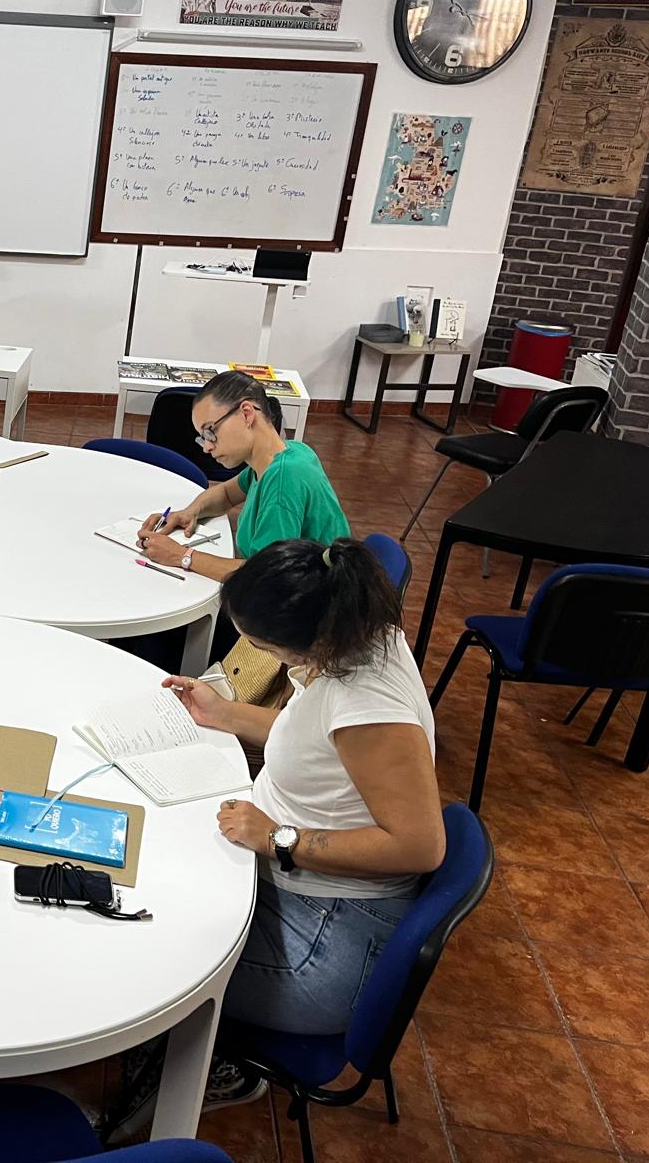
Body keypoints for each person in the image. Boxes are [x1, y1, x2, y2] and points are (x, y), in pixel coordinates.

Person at [107, 538, 445, 1137]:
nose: (258, 657)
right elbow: (311, 737)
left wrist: (278, 838)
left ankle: (212, 1068)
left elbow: (420, 846)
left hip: (326, 937)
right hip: (300, 886)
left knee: (148, 956)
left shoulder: (368, 706)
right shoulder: (358, 629)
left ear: (311, 641)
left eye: (263, 646)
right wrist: (223, 713)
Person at [135, 371, 349, 581]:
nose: (207, 447)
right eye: (203, 438)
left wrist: (181, 556)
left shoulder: (284, 479)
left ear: (246, 413)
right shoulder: (286, 453)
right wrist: (189, 512)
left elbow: (264, 576)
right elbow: (226, 494)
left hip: (316, 598)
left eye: (210, 432)